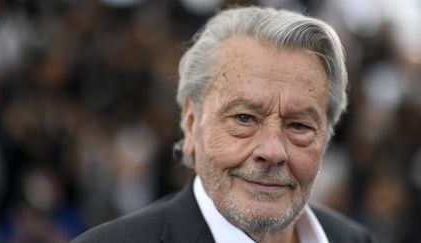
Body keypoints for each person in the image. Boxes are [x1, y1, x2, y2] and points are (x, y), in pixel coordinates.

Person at [71, 6, 376, 243]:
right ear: (191, 124)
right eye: (244, 118)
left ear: (327, 136)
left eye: (298, 126)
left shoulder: (354, 239)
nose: (272, 151)